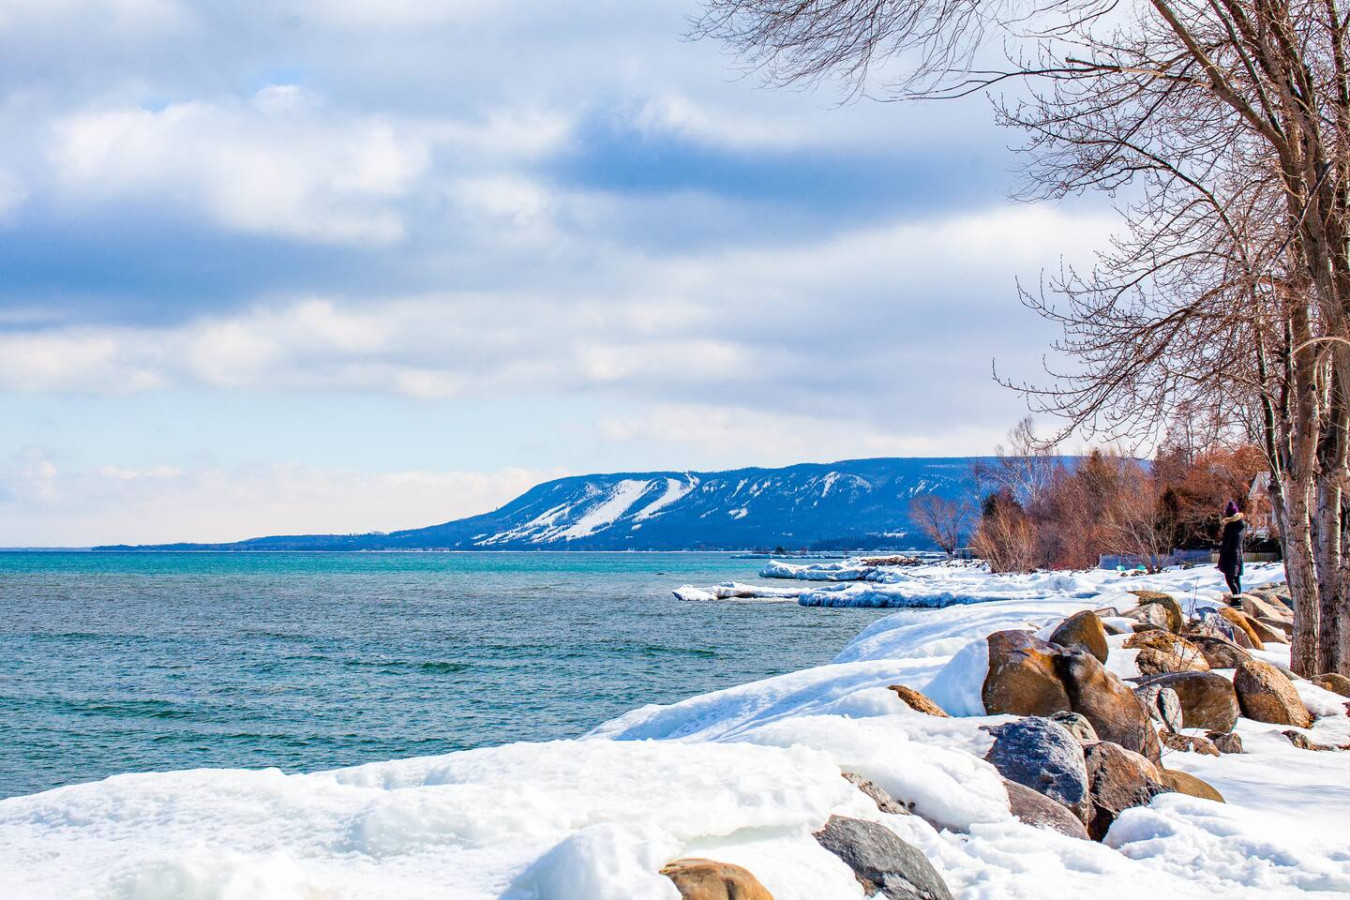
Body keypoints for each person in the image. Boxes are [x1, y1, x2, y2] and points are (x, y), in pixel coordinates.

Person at [1218, 500, 1246, 597]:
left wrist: (1221, 557)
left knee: (1229, 578)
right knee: (1236, 578)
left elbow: (1226, 544)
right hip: (1239, 555)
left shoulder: (1230, 527)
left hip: (1230, 556)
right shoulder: (1241, 525)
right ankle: (1239, 598)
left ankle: (1237, 600)